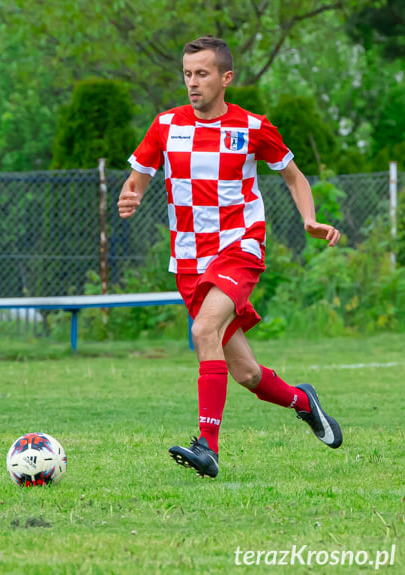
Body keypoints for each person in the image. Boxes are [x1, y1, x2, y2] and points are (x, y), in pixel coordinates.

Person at [117, 36, 343, 478]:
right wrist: (132, 196)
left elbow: (294, 178)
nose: (192, 83)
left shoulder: (253, 127)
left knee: (204, 330)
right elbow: (138, 177)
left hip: (239, 247)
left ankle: (208, 447)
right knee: (246, 373)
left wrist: (309, 220)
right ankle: (304, 402)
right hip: (188, 260)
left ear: (226, 78)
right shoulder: (165, 125)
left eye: (202, 74)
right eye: (186, 74)